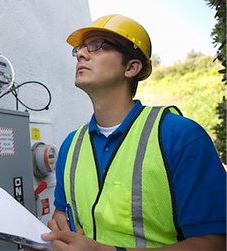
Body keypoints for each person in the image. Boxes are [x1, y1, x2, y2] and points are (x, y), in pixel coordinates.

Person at [42, 14, 226, 251]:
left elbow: (216, 243)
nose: (81, 54)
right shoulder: (70, 145)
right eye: (79, 49)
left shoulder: (181, 136)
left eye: (97, 46)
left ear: (131, 67)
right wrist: (56, 235)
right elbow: (61, 215)